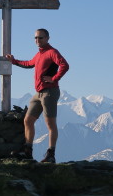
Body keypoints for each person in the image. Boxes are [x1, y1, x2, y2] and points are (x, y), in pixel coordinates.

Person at [5, 28, 69, 163]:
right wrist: (14, 61)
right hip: (39, 93)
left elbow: (64, 65)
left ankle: (51, 154)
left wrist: (54, 78)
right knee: (28, 120)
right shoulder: (39, 54)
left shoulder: (52, 52)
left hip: (49, 92)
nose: (37, 40)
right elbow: (29, 64)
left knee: (50, 124)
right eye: (35, 38)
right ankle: (27, 151)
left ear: (47, 38)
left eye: (40, 38)